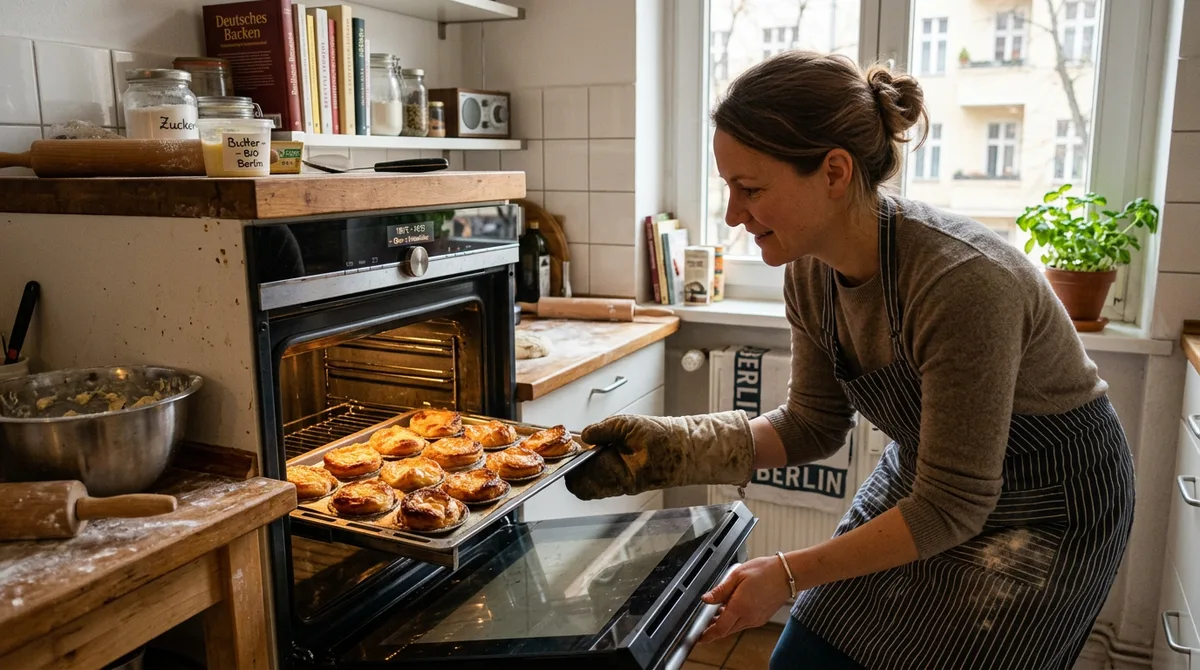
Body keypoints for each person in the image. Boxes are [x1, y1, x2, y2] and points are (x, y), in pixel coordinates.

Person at [564, 51, 1135, 670]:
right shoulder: (809, 267)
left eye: (750, 189)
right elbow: (811, 424)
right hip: (932, 478)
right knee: (806, 659)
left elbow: (954, 504)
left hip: (1048, 502)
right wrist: (670, 450)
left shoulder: (962, 282)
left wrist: (785, 573)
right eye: (728, 188)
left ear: (834, 171)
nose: (733, 214)